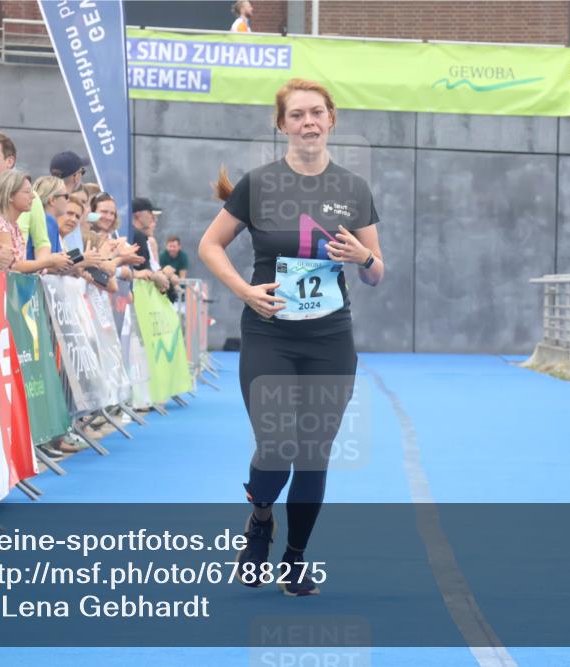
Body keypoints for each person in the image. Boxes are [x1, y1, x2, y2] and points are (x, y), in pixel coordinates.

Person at [198, 78, 384, 596]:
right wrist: (244, 290)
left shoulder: (354, 189)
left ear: (331, 120)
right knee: (277, 445)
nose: (309, 122)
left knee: (314, 451)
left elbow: (375, 272)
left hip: (329, 337)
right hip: (270, 331)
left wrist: (363, 259)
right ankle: (260, 519)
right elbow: (210, 245)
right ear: (282, 124)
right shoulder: (259, 183)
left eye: (317, 113)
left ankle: (295, 557)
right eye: (298, 114)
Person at [0, 131, 69, 273]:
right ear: (10, 196)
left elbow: (41, 242)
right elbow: (12, 265)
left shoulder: (15, 221)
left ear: (9, 161)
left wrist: (42, 269)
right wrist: (47, 262)